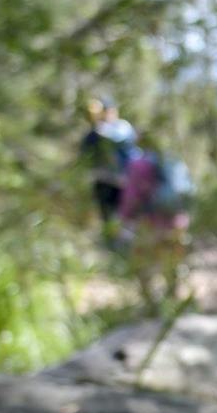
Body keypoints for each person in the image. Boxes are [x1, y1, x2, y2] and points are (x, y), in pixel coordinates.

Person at [116, 143, 193, 305]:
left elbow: (132, 196)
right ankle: (172, 298)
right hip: (176, 221)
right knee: (173, 260)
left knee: (144, 262)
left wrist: (125, 217)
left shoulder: (138, 165)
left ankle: (150, 302)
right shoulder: (173, 162)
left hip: (150, 222)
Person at [78, 99, 137, 232]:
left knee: (123, 213)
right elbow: (85, 150)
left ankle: (123, 240)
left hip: (121, 180)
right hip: (102, 178)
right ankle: (110, 239)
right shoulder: (94, 132)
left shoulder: (122, 126)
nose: (107, 115)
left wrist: (99, 126)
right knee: (105, 213)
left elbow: (118, 138)